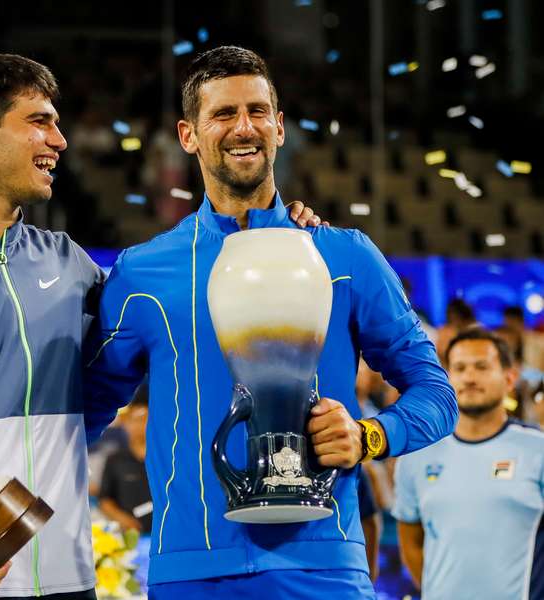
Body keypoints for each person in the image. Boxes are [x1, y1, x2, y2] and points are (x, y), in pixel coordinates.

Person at [0, 51, 323, 600]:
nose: (60, 141)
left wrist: (268, 231)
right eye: (39, 122)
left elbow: (169, 314)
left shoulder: (72, 266)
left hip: (66, 582)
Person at [83, 46, 457, 599]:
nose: (244, 127)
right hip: (193, 571)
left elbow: (436, 393)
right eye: (224, 114)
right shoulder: (143, 272)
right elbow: (84, 409)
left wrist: (369, 435)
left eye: (258, 111)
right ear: (188, 135)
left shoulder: (343, 257)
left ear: (279, 128)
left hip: (323, 567)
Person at [393, 328, 544, 600]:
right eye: (460, 368)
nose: (470, 377)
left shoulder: (537, 450)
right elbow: (411, 543)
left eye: (482, 367)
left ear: (510, 378)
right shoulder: (416, 455)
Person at [98, 393, 151, 534]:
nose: (139, 424)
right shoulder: (115, 460)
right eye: (134, 419)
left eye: (144, 418)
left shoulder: (166, 459)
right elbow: (105, 500)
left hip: (163, 536)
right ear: (125, 422)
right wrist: (123, 519)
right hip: (130, 537)